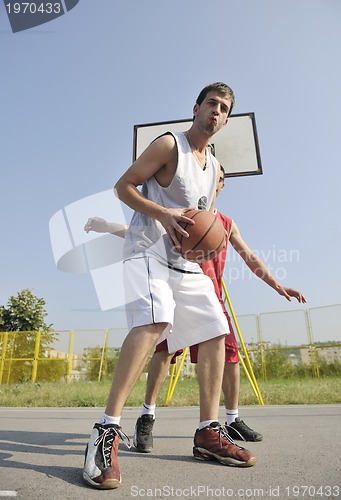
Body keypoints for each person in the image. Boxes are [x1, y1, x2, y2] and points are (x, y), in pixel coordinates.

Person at [82, 82, 259, 490]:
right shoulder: (168, 145)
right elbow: (123, 186)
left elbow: (203, 223)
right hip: (146, 250)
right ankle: (105, 431)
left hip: (184, 263)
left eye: (224, 108)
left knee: (216, 328)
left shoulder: (214, 167)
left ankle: (208, 432)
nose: (216, 111)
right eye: (211, 103)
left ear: (227, 120)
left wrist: (203, 245)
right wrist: (162, 214)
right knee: (156, 319)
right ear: (196, 108)